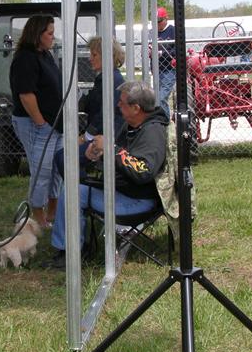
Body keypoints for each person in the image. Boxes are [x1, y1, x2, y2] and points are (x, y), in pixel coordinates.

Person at [45, 81, 168, 269]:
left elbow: (143, 170)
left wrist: (110, 148)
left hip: (138, 201)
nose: (118, 105)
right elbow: (122, 156)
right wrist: (96, 154)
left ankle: (69, 254)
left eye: (122, 103)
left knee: (71, 194)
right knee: (73, 186)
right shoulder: (135, 125)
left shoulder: (152, 132)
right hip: (126, 192)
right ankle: (72, 247)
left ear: (136, 108)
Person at [9, 15, 63, 227]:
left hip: (54, 124)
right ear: (37, 34)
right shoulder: (25, 58)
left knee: (57, 168)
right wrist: (41, 123)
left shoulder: (45, 55)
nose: (53, 37)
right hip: (36, 125)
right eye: (50, 33)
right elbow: (26, 95)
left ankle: (53, 212)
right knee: (42, 170)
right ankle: (39, 216)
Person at [54, 35, 126, 177]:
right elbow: (91, 104)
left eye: (94, 55)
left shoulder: (111, 80)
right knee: (63, 156)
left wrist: (85, 137)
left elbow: (105, 114)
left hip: (108, 139)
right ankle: (83, 187)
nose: (89, 58)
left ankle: (82, 189)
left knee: (64, 158)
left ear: (107, 56)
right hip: (101, 135)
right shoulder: (104, 78)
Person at [152, 7, 177, 117]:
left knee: (161, 98)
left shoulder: (172, 30)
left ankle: (165, 121)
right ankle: (162, 120)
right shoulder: (152, 32)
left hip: (169, 70)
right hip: (157, 70)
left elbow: (177, 50)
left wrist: (162, 53)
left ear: (166, 19)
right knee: (156, 99)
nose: (157, 24)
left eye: (159, 21)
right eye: (155, 21)